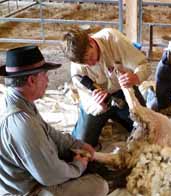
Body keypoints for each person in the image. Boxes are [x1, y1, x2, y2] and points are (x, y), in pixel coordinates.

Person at [0, 46, 108, 196]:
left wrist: (77, 144)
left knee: (75, 158)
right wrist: (78, 166)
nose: (47, 79)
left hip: (36, 175)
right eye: (44, 74)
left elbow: (50, 132)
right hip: (30, 190)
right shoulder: (22, 122)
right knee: (99, 186)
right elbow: (49, 175)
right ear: (31, 80)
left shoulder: (19, 102)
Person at [62, 28, 151, 147]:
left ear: (91, 40)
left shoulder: (113, 39)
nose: (91, 63)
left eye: (91, 56)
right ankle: (112, 115)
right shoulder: (77, 69)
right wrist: (99, 105)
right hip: (99, 102)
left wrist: (136, 77)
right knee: (82, 144)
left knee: (147, 129)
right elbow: (88, 103)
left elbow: (145, 66)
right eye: (85, 62)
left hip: (123, 92)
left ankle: (118, 116)